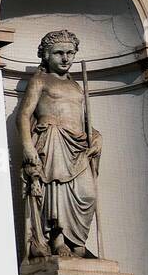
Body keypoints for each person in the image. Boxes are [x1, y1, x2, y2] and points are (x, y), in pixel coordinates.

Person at [17, 29, 101, 259]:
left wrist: (96, 136)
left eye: (70, 53)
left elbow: (85, 121)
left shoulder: (76, 86)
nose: (66, 58)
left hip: (78, 144)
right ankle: (58, 240)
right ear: (46, 55)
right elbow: (24, 115)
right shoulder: (40, 80)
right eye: (59, 53)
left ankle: (78, 242)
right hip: (53, 140)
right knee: (56, 190)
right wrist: (27, 145)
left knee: (87, 194)